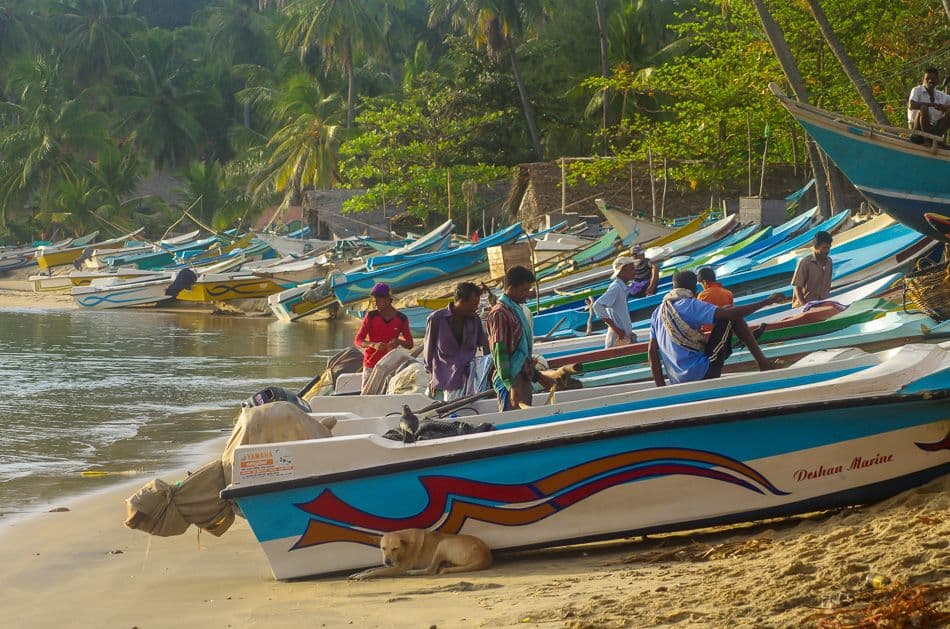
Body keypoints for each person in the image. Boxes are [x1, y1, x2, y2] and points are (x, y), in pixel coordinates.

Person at [648, 270, 784, 386]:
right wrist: (767, 301)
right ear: (694, 289)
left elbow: (652, 352)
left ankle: (761, 361)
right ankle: (764, 364)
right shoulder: (690, 305)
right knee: (732, 314)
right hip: (703, 373)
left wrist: (662, 388)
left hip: (677, 381)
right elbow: (732, 314)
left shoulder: (657, 312)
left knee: (727, 311)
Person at [486, 265, 554, 411]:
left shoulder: (516, 310)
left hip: (523, 377)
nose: (527, 294)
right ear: (510, 288)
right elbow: (500, 352)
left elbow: (521, 352)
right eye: (524, 290)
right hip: (511, 381)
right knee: (513, 421)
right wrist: (510, 385)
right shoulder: (500, 313)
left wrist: (538, 377)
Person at [423, 282, 490, 401]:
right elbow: (428, 352)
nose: (476, 308)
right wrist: (431, 377)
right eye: (474, 304)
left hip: (468, 375)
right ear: (462, 302)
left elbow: (485, 346)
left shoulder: (475, 319)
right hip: (444, 376)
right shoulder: (436, 319)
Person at [354, 283, 414, 393]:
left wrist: (398, 341)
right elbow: (358, 340)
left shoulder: (401, 318)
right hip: (371, 365)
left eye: (378, 301)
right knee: (367, 396)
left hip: (390, 365)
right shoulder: (371, 316)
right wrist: (373, 344)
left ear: (387, 300)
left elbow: (410, 344)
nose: (375, 304)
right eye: (374, 301)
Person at [592, 255, 639, 348]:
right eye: (631, 269)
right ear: (622, 272)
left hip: (622, 336)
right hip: (618, 338)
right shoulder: (616, 287)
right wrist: (618, 331)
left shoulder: (621, 287)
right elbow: (597, 306)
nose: (634, 272)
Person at [791, 231, 833, 308]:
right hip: (803, 306)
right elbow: (797, 287)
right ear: (816, 247)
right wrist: (805, 306)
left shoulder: (829, 261)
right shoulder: (805, 262)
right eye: (824, 248)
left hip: (821, 304)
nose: (827, 251)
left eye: (828, 248)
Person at [908, 68, 950, 141]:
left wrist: (942, 107)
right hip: (917, 128)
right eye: (927, 79)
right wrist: (931, 104)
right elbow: (911, 104)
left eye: (933, 79)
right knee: (923, 108)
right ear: (923, 79)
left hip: (934, 129)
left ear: (937, 80)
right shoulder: (917, 90)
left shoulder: (941, 95)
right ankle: (926, 139)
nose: (930, 81)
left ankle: (936, 139)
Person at [696, 266, 733, 333]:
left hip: (709, 331)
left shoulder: (701, 296)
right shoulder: (728, 293)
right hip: (726, 329)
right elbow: (732, 311)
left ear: (704, 282)